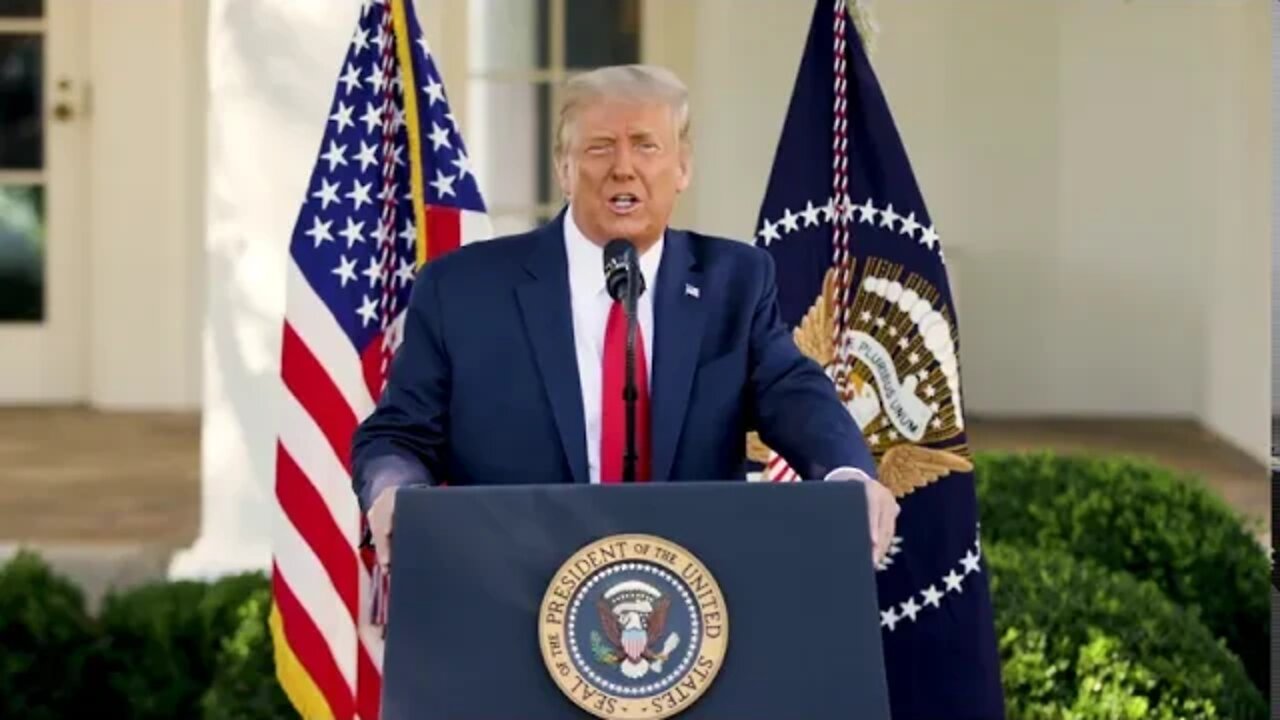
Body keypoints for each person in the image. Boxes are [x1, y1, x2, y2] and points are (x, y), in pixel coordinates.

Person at [351, 64, 898, 570]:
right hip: (512, 587)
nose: (623, 168)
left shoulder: (735, 281)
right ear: (563, 170)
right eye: (599, 147)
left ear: (682, 168)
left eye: (646, 146)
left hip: (691, 598)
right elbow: (398, 434)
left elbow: (793, 392)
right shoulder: (463, 289)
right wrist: (395, 491)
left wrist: (847, 475)